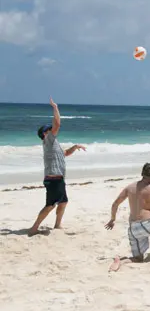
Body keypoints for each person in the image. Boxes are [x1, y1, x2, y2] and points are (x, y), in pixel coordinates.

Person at [28, 97, 86, 236]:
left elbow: (65, 153)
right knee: (50, 205)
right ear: (45, 134)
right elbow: (58, 124)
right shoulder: (48, 140)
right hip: (53, 178)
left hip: (58, 178)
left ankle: (57, 225)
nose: (52, 130)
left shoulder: (54, 144)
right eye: (49, 130)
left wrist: (75, 147)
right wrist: (55, 107)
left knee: (63, 202)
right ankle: (34, 228)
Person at [104, 163, 150, 272]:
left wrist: (112, 219)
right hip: (147, 225)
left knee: (138, 259)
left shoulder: (130, 187)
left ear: (142, 173)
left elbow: (115, 204)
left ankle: (121, 262)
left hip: (133, 229)